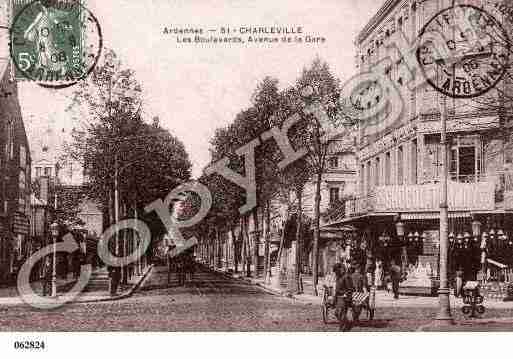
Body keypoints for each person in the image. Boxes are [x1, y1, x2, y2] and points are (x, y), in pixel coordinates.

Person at [334, 263, 354, 331]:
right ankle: (347, 324)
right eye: (335, 271)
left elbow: (350, 289)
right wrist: (335, 299)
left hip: (344, 298)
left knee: (341, 313)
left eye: (336, 271)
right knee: (336, 313)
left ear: (340, 269)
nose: (335, 273)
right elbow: (337, 289)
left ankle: (342, 329)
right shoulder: (338, 277)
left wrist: (346, 295)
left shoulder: (346, 277)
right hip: (338, 298)